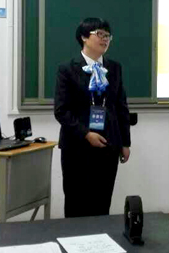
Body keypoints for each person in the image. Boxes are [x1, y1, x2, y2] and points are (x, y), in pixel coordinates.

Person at [54, 18, 131, 218]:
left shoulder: (114, 68)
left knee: (102, 201)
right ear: (84, 37)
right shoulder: (67, 69)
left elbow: (121, 107)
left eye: (108, 36)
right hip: (77, 147)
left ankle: (101, 237)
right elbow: (62, 111)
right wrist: (86, 134)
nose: (105, 39)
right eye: (100, 34)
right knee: (76, 201)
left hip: (108, 145)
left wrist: (125, 143)